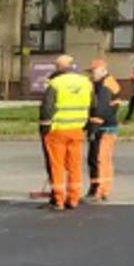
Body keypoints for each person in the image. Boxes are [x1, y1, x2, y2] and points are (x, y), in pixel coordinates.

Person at [39, 54, 94, 211]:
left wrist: (44, 127)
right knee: (74, 165)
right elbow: (93, 105)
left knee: (57, 165)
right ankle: (74, 198)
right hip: (77, 129)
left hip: (57, 130)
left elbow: (47, 107)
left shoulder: (55, 83)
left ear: (59, 68)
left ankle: (58, 199)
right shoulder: (86, 82)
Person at [87, 59, 124, 202]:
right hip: (108, 125)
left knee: (99, 159)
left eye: (94, 71)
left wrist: (93, 126)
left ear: (103, 70)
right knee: (104, 159)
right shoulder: (106, 82)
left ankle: (99, 190)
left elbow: (101, 108)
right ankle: (103, 189)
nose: (92, 75)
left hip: (103, 127)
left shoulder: (105, 85)